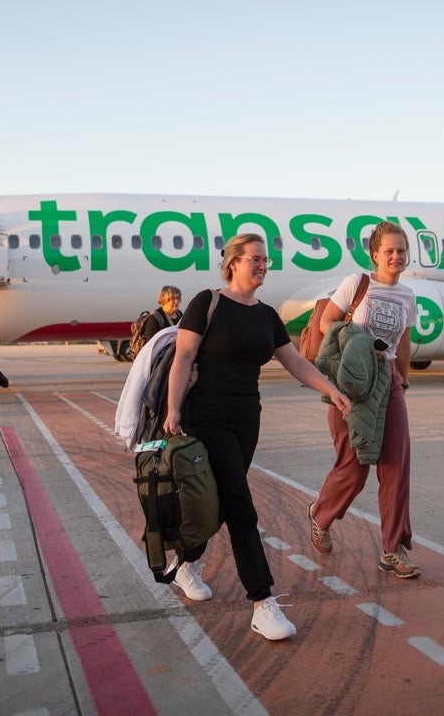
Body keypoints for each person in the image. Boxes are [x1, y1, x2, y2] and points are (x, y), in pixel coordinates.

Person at [164, 233, 350, 641]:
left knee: (221, 501)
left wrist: (331, 389)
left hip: (247, 418)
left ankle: (185, 564)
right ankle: (262, 603)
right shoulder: (206, 303)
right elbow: (183, 356)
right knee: (241, 508)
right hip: (206, 416)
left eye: (266, 259)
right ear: (233, 263)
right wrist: (173, 408)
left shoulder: (266, 315)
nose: (263, 265)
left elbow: (296, 362)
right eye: (255, 259)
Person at [308, 221, 421, 578]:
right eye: (388, 251)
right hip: (353, 384)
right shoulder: (357, 285)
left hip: (388, 383)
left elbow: (402, 341)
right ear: (374, 254)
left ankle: (392, 549)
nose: (396, 256)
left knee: (396, 466)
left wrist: (402, 380)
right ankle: (321, 514)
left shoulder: (408, 296)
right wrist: (359, 342)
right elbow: (327, 323)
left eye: (401, 250)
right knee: (354, 468)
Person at [132, 285, 183, 356]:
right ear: (165, 300)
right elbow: (151, 344)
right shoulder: (155, 318)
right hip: (159, 359)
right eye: (173, 299)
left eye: (178, 298)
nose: (176, 301)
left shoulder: (179, 314)